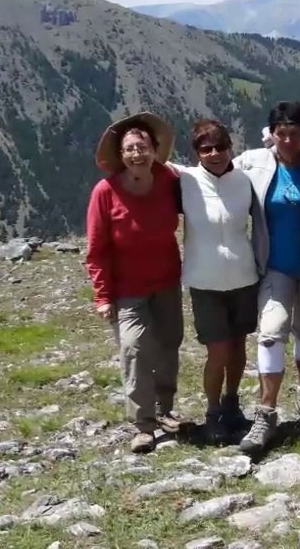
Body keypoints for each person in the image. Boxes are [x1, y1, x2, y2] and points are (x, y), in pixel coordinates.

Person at [236, 101, 300, 453]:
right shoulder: (255, 163)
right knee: (271, 333)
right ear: (272, 134)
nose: (288, 140)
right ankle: (266, 412)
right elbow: (216, 174)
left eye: (294, 133)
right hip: (275, 264)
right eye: (281, 133)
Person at [84, 112, 185, 454]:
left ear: (155, 149)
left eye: (142, 146)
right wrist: (102, 295)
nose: (136, 153)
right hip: (127, 288)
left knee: (169, 343)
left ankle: (165, 408)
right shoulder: (105, 191)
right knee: (135, 348)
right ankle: (143, 424)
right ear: (120, 155)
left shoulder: (169, 179)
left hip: (167, 280)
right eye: (129, 149)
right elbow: (96, 249)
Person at [170, 119, 267, 445]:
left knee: (238, 345)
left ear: (230, 147)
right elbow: (145, 161)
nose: (214, 154)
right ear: (196, 152)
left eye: (220, 147)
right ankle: (212, 412)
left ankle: (232, 403)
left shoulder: (245, 179)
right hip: (205, 279)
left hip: (243, 276)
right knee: (219, 350)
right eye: (205, 148)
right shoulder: (184, 179)